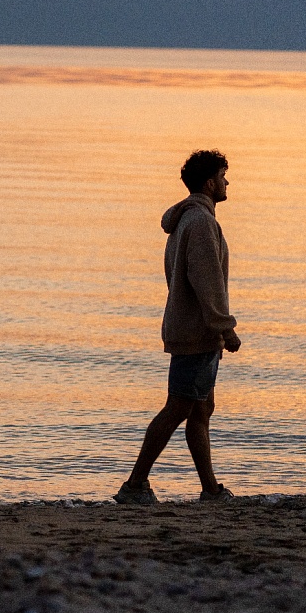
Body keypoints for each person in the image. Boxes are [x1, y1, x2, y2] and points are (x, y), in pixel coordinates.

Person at [116, 149, 241, 504]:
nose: (227, 181)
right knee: (178, 408)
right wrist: (224, 327)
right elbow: (207, 280)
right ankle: (135, 485)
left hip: (194, 330)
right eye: (223, 175)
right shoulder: (201, 223)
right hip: (197, 333)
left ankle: (211, 489)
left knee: (200, 411)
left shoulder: (191, 218)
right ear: (209, 182)